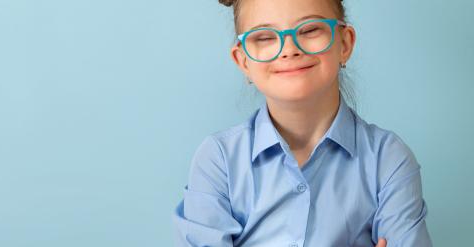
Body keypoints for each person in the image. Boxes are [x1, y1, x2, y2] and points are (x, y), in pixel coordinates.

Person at [172, 0, 432, 246]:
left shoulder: (388, 159)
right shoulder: (218, 160)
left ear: (345, 43)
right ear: (243, 61)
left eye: (309, 30)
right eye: (264, 37)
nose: (289, 49)